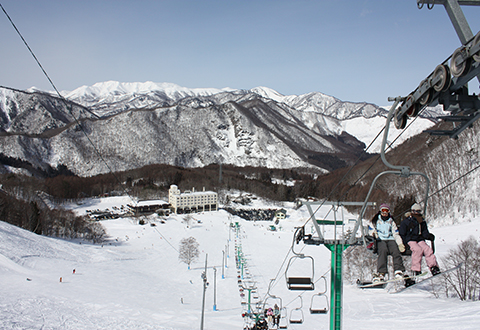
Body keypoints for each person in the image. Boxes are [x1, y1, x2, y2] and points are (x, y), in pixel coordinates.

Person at [399, 203, 440, 282]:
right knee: (418, 250)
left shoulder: (422, 221)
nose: (417, 213)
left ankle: (433, 267)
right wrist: (403, 242)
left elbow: (424, 232)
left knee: (427, 249)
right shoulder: (407, 221)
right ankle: (416, 269)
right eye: (415, 211)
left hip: (419, 239)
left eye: (418, 211)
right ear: (412, 211)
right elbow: (402, 233)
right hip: (410, 239)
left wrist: (428, 236)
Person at [368, 203, 406, 283]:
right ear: (380, 211)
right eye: (383, 211)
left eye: (386, 211)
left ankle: (398, 270)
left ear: (388, 212)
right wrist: (374, 234)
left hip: (390, 238)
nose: (384, 213)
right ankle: (382, 272)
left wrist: (400, 244)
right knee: (383, 250)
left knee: (395, 250)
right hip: (380, 239)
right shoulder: (376, 220)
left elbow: (396, 234)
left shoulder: (391, 221)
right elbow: (370, 230)